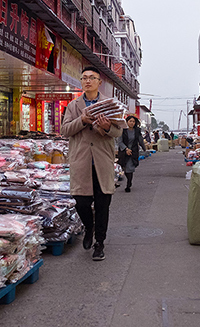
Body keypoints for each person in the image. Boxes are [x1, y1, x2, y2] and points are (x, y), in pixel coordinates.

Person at [61, 66, 122, 261]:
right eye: (84, 78)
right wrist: (82, 120)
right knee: (81, 202)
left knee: (103, 204)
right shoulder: (73, 106)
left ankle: (100, 243)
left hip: (102, 162)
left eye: (92, 78)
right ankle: (89, 227)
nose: (88, 81)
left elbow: (118, 131)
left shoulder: (109, 104)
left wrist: (106, 127)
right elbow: (65, 130)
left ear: (99, 82)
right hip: (81, 162)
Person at [117, 115, 146, 193]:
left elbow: (140, 140)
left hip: (133, 152)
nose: (132, 123)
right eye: (130, 121)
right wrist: (126, 149)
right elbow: (119, 141)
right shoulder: (123, 130)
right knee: (125, 168)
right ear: (126, 122)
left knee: (130, 168)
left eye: (133, 121)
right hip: (124, 152)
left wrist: (144, 148)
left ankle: (128, 184)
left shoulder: (137, 130)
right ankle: (128, 181)